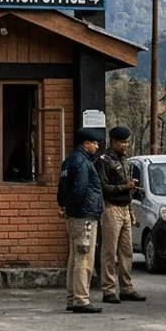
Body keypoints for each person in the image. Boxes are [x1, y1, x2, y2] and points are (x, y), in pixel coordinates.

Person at [96, 126, 146, 305]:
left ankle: (126, 287)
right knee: (109, 251)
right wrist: (124, 188)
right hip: (111, 207)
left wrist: (131, 208)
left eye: (127, 142)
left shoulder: (125, 160)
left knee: (127, 250)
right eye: (123, 142)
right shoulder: (104, 161)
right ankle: (108, 289)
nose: (126, 145)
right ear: (114, 142)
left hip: (125, 207)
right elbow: (103, 187)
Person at [58, 129, 104, 314]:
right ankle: (81, 300)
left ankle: (72, 297)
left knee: (74, 258)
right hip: (84, 216)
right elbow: (80, 190)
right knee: (84, 258)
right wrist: (72, 206)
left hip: (74, 217)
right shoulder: (83, 163)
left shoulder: (68, 161)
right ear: (86, 143)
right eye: (94, 143)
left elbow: (62, 190)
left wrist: (64, 206)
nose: (97, 146)